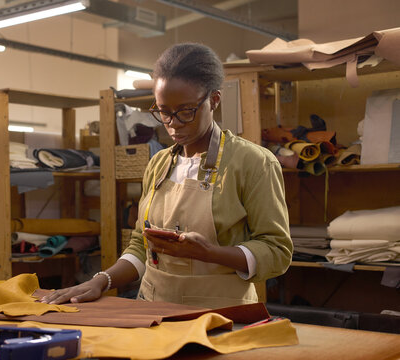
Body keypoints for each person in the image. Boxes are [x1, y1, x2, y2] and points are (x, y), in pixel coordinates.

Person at [42, 43, 293, 309]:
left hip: (220, 312)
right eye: (163, 111)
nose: (173, 123)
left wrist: (211, 254)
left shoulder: (252, 163)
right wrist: (101, 281)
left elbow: (277, 251)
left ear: (214, 100)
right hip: (154, 307)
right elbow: (141, 245)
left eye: (186, 111)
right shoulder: (158, 164)